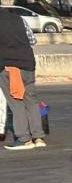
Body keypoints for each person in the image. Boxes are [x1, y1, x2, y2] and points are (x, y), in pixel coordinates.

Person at [0, 8, 45, 151]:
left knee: (16, 102)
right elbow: (32, 40)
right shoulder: (18, 18)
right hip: (28, 64)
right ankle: (38, 137)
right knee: (31, 101)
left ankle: (24, 139)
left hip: (9, 66)